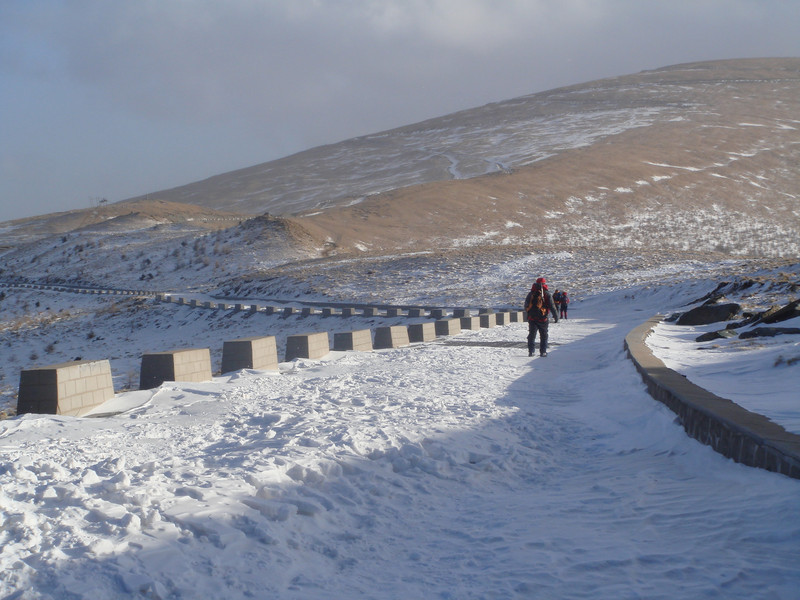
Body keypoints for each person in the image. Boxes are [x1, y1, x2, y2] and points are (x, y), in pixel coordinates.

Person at [524, 277, 558, 357]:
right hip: (543, 318)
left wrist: (529, 314)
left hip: (532, 318)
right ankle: (543, 352)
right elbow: (552, 306)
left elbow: (526, 305)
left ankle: (531, 351)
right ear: (544, 284)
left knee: (532, 335)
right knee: (543, 335)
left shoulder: (531, 293)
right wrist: (556, 316)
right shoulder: (546, 293)